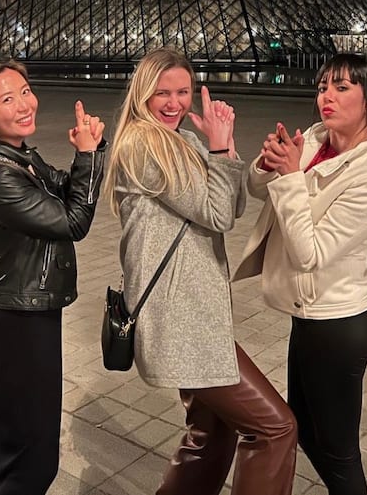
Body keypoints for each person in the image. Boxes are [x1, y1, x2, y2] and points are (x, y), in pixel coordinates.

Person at [105, 47, 297, 495]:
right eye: (162, 92)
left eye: (183, 91)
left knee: (212, 432)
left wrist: (223, 146)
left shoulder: (183, 140)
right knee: (275, 428)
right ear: (143, 93)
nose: (174, 103)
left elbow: (231, 203)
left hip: (195, 312)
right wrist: (219, 148)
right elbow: (218, 214)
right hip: (179, 317)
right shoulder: (144, 143)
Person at [0, 59, 106, 495]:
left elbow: (64, 191)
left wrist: (89, 150)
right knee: (26, 457)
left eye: (25, 91)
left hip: (24, 313)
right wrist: (88, 155)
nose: (24, 104)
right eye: (7, 99)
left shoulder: (18, 157)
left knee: (27, 449)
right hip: (18, 324)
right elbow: (73, 222)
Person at [233, 52, 367, 495]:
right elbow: (258, 188)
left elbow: (310, 253)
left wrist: (289, 177)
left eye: (342, 88)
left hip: (339, 325)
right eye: (323, 86)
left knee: (339, 453)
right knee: (303, 429)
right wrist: (267, 164)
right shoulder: (314, 138)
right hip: (308, 316)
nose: (327, 96)